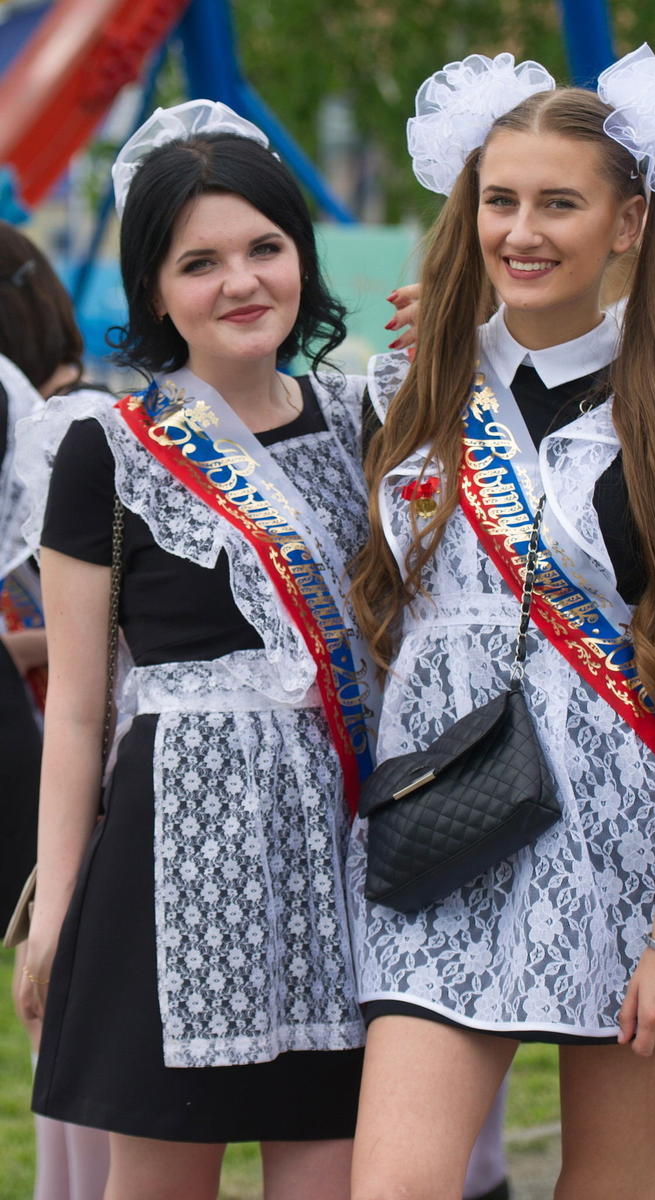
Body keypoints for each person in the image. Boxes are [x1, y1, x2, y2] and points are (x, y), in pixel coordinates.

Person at [345, 48, 655, 1200]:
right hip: (443, 833)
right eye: (500, 200)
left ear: (629, 222)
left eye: (558, 203)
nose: (521, 231)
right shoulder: (404, 389)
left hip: (634, 848)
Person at [16, 100, 376, 1200]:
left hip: (343, 864)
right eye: (200, 262)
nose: (241, 283)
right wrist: (57, 908)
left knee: (331, 1172)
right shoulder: (106, 451)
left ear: (302, 257)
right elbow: (80, 712)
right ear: (156, 289)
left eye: (266, 248)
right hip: (175, 861)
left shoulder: (369, 423)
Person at [0, 221, 112, 1200]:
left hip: (86, 749)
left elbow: (100, 637)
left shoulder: (80, 427)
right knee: (51, 1011)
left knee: (69, 1015)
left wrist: (22, 647)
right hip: (56, 746)